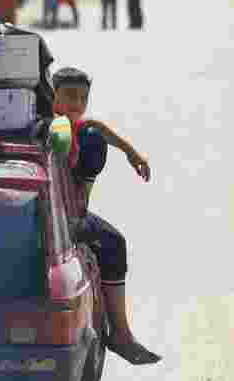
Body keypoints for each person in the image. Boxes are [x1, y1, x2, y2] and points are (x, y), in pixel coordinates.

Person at [32, 67, 160, 365]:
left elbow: (96, 126)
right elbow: (63, 132)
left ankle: (122, 333)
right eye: (70, 96)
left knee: (92, 135)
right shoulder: (54, 128)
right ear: (54, 99)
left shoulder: (78, 127)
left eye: (82, 98)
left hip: (71, 215)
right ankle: (121, 335)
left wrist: (131, 151)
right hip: (62, 220)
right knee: (114, 243)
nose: (77, 103)